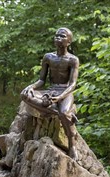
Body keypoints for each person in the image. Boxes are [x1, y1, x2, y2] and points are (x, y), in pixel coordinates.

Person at [21, 27, 79, 160]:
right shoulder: (48, 57)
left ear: (69, 42)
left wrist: (59, 97)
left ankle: (72, 145)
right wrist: (31, 86)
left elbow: (72, 84)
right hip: (50, 90)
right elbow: (42, 80)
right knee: (24, 94)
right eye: (57, 36)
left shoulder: (73, 60)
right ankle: (55, 110)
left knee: (64, 113)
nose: (58, 38)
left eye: (62, 36)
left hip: (64, 92)